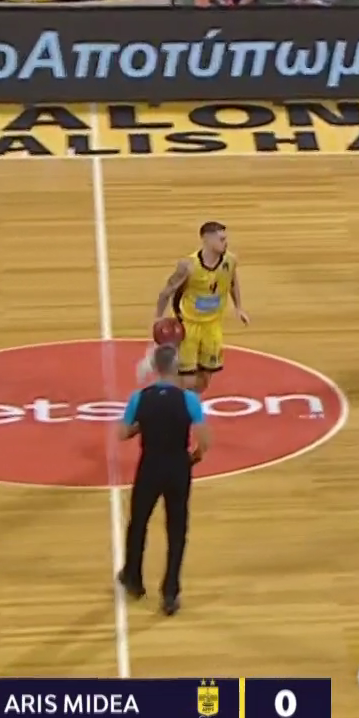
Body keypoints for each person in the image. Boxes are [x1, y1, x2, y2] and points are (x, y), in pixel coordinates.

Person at [118, 342, 211, 617]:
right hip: (178, 467)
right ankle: (170, 593)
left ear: (155, 368)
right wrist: (195, 456)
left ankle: (133, 578)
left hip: (150, 466)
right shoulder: (189, 399)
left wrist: (143, 425)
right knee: (176, 529)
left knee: (138, 522)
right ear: (176, 367)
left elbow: (122, 433)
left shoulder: (139, 397)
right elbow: (204, 440)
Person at [153, 221, 249, 394]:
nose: (226, 243)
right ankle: (173, 398)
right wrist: (158, 318)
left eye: (225, 238)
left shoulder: (230, 260)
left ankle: (190, 401)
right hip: (189, 326)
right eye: (221, 239)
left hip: (212, 326)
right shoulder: (188, 266)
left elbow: (232, 281)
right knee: (187, 379)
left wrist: (239, 307)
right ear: (206, 239)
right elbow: (166, 292)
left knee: (204, 380)